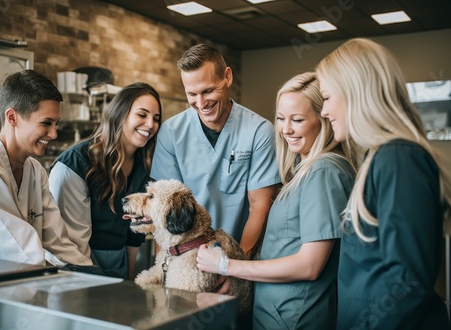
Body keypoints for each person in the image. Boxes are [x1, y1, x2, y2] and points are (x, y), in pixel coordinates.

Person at [197, 71, 356, 329]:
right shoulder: (302, 171)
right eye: (281, 119)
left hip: (295, 317)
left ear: (323, 119)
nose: (286, 129)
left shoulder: (324, 171)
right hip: (276, 313)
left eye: (297, 119)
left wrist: (227, 265)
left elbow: (310, 265)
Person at [316, 38, 451, 329]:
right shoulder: (378, 159)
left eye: (326, 97)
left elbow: (407, 281)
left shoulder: (399, 159)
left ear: (355, 92)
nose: (324, 112)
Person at [0, 69, 94, 269]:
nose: (53, 134)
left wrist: (90, 271)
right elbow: (17, 253)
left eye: (56, 124)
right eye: (46, 123)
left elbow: (58, 241)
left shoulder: (35, 170)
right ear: (12, 118)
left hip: (18, 280)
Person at [151, 44, 281, 258]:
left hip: (239, 253)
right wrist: (165, 265)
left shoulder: (259, 131)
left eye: (208, 91)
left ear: (227, 77)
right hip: (186, 258)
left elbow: (260, 206)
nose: (201, 103)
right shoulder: (171, 132)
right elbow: (162, 207)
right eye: (192, 94)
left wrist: (234, 268)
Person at [49, 82, 162, 279]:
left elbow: (134, 235)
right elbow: (70, 242)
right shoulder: (77, 164)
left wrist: (128, 280)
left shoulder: (144, 166)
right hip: (76, 267)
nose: (151, 124)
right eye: (142, 115)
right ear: (120, 114)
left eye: (156, 118)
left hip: (118, 263)